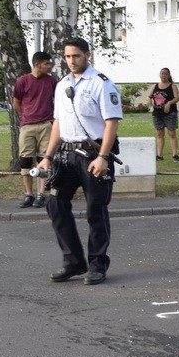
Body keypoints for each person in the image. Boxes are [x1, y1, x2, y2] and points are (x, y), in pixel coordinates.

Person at [35, 38, 123, 286]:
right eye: (67, 57)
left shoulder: (101, 84)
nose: (71, 61)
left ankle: (97, 265)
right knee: (54, 203)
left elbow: (111, 122)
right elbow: (58, 124)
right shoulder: (62, 84)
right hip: (66, 156)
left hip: (94, 156)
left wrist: (104, 157)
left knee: (96, 210)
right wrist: (47, 158)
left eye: (76, 56)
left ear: (87, 55)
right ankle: (73, 261)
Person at [12, 51, 57, 208]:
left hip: (46, 125)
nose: (49, 66)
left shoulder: (51, 81)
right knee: (25, 160)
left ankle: (41, 194)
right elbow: (16, 101)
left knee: (43, 160)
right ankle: (28, 194)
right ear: (37, 64)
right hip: (28, 126)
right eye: (46, 63)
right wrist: (26, 114)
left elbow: (57, 100)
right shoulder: (22, 81)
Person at [146, 67, 179, 162]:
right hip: (157, 114)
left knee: (172, 133)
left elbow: (177, 98)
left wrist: (169, 103)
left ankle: (175, 155)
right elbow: (149, 96)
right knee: (159, 134)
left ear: (169, 75)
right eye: (162, 73)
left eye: (166, 74)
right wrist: (149, 100)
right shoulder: (155, 86)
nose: (164, 75)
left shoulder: (172, 86)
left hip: (170, 113)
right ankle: (159, 155)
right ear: (159, 75)